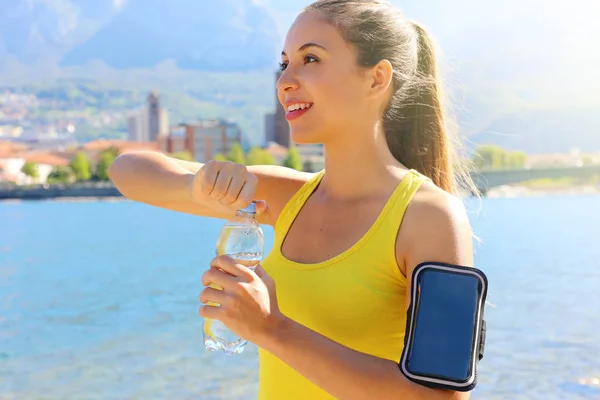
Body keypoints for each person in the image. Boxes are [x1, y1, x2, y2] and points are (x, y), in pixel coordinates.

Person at [109, 0, 476, 398]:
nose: (285, 80)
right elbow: (128, 171)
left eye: (311, 59)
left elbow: (443, 395)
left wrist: (270, 327)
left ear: (376, 78)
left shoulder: (430, 217)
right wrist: (193, 188)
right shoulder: (290, 199)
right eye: (285, 63)